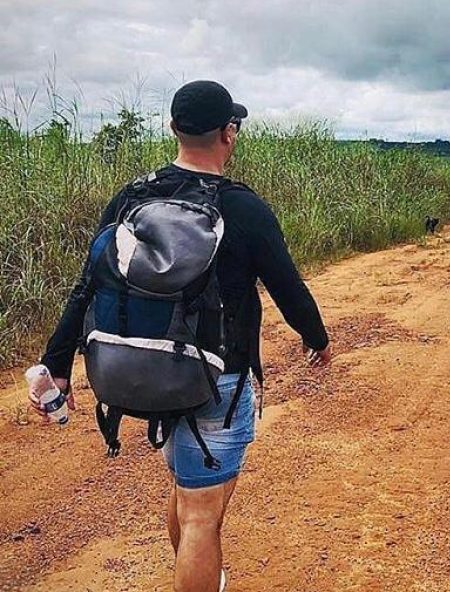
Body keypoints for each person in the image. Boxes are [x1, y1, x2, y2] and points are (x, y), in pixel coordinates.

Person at [32, 80, 331, 592]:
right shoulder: (241, 207)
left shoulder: (133, 195)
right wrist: (317, 340)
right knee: (201, 515)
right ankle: (200, 573)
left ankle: (202, 574)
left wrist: (57, 361)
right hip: (218, 376)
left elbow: (90, 281)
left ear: (173, 129)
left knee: (188, 492)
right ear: (229, 134)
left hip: (140, 370)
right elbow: (287, 285)